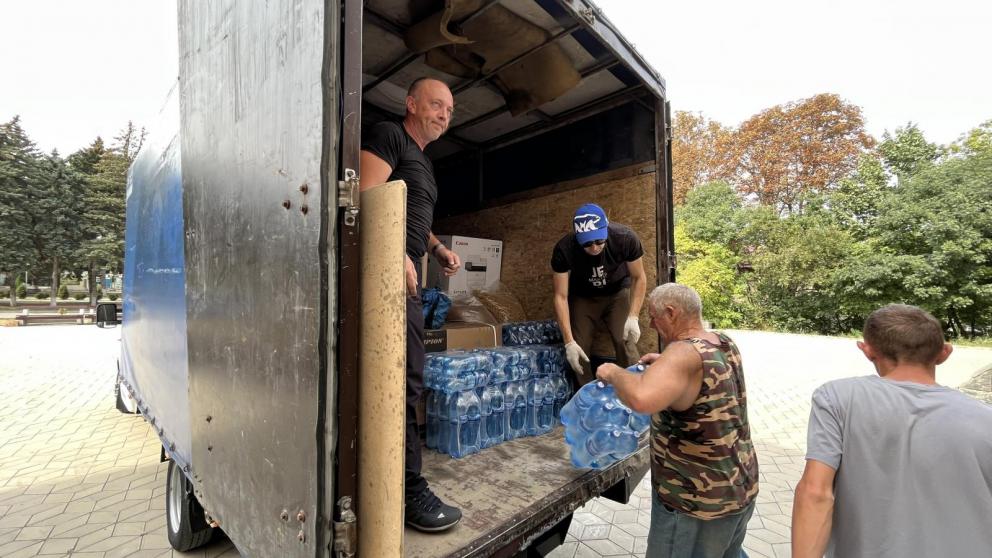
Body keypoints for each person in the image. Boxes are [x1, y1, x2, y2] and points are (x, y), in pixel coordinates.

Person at [792, 304, 992, 558]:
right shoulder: (986, 418)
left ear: (867, 350)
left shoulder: (838, 398)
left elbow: (815, 493)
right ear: (944, 353)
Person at [359, 77, 463, 532]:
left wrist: (436, 248)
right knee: (403, 382)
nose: (444, 114)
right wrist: (396, 252)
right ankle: (405, 491)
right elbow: (363, 197)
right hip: (384, 280)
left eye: (449, 110)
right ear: (411, 103)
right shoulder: (389, 135)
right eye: (436, 105)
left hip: (406, 280)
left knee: (409, 380)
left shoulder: (421, 160)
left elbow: (414, 217)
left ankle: (396, 483)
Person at [596, 283, 759, 558]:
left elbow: (641, 398)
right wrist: (664, 365)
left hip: (695, 504)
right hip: (738, 489)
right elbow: (704, 373)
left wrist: (613, 372)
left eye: (654, 315)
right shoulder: (722, 341)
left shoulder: (682, 353)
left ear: (671, 313)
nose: (650, 322)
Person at [551, 203, 646, 384]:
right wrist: (569, 342)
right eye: (587, 243)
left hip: (617, 291)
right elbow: (560, 296)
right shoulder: (564, 249)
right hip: (584, 296)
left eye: (599, 241)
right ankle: (586, 397)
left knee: (625, 340)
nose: (594, 248)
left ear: (607, 228)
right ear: (577, 238)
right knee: (579, 347)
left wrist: (634, 316)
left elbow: (639, 277)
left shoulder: (625, 238)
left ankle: (635, 392)